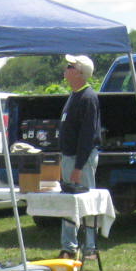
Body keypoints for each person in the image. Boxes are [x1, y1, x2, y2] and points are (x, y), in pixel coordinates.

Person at [57, 54, 100, 258]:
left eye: (70, 66)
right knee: (68, 203)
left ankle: (90, 247)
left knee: (87, 202)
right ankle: (69, 247)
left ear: (79, 72)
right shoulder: (73, 95)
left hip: (81, 159)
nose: (66, 69)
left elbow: (87, 136)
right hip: (69, 157)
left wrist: (78, 166)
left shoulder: (88, 98)